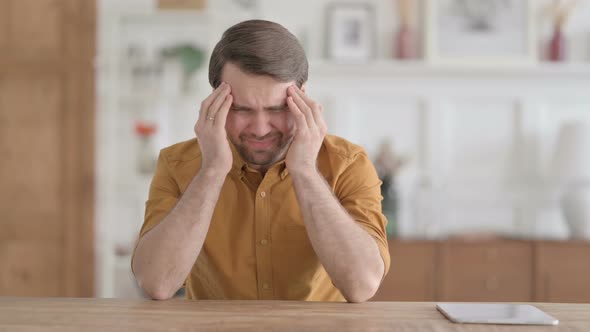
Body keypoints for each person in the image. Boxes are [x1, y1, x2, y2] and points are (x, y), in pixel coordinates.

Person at [131, 19, 390, 303]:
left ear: (303, 100)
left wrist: (304, 170)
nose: (260, 128)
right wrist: (212, 170)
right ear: (215, 101)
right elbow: (156, 283)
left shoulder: (348, 163)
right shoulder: (177, 163)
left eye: (276, 109)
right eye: (241, 109)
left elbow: (362, 285)